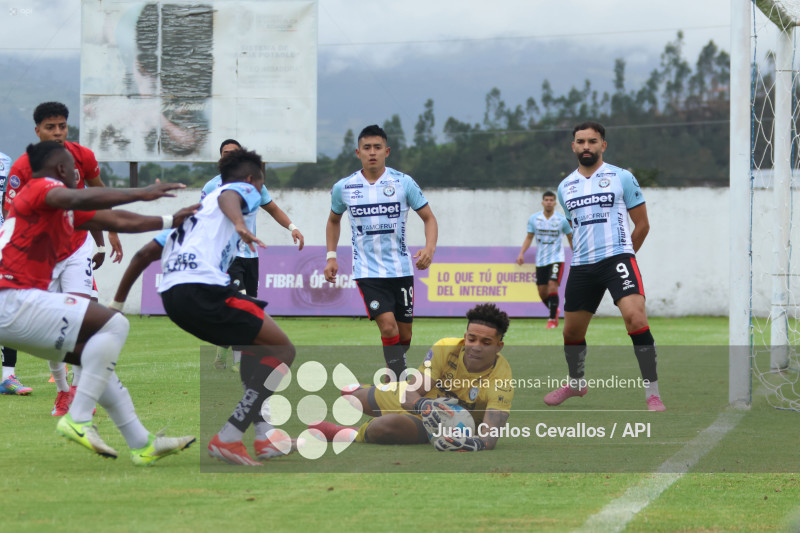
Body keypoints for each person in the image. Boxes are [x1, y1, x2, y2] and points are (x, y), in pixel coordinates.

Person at [0, 141, 197, 464]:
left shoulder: (59, 209)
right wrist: (142, 191)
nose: (79, 175)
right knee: (115, 323)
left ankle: (142, 442)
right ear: (62, 170)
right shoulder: (42, 189)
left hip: (13, 307)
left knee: (92, 357)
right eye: (73, 169)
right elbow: (79, 196)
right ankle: (78, 418)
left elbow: (117, 220)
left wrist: (169, 220)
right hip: (11, 299)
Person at [157, 148, 297, 466]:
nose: (260, 192)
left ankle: (264, 437)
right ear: (252, 179)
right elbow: (231, 197)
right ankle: (231, 436)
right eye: (260, 184)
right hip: (207, 286)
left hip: (180, 289)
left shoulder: (202, 202)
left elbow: (148, 252)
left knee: (255, 346)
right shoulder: (242, 188)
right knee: (283, 350)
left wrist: (118, 301)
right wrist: (238, 223)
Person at [3, 102, 124, 415]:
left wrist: (109, 233)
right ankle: (62, 390)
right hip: (42, 255)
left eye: (62, 126)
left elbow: (97, 195)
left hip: (76, 246)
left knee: (81, 317)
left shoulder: (81, 156)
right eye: (50, 127)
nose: (57, 133)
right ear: (37, 131)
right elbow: (11, 215)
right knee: (54, 325)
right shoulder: (23, 167)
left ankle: (83, 395)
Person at [545, 121, 665, 411]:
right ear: (573, 146)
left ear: (603, 145)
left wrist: (624, 255)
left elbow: (643, 224)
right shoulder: (565, 187)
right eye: (581, 141)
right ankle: (576, 384)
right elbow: (576, 230)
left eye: (593, 141)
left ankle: (652, 392)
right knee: (571, 333)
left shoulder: (621, 177)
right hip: (583, 266)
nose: (587, 146)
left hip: (618, 260)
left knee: (635, 318)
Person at [309, 303, 513, 451]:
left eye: (486, 342)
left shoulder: (502, 379)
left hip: (437, 426)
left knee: (385, 427)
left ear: (498, 346)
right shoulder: (447, 348)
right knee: (351, 395)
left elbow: (490, 436)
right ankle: (372, 389)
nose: (476, 346)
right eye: (471, 338)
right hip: (418, 398)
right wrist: (426, 406)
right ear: (465, 336)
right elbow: (410, 396)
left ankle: (350, 433)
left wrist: (475, 443)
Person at [324, 125, 438, 382]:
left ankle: (392, 369)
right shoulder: (345, 187)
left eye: (377, 148)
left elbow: (429, 218)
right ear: (358, 152)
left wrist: (429, 248)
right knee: (388, 327)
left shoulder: (403, 182)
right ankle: (398, 385)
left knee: (404, 335)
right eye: (367, 148)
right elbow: (333, 221)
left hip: (401, 269)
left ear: (386, 151)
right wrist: (331, 256)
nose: (372, 153)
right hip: (367, 271)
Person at [201, 139, 304, 371]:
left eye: (234, 154)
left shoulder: (255, 185)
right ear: (220, 159)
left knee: (248, 309)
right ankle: (240, 363)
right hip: (227, 257)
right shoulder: (211, 187)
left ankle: (222, 346)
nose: (229, 157)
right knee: (242, 304)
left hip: (251, 256)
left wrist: (292, 227)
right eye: (225, 153)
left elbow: (273, 209)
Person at [0, 150, 32, 395]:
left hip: (4, 242)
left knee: (7, 307)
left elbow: (9, 203)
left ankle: (8, 376)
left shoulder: (6, 160)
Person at [516, 191, 573, 329]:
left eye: (551, 200)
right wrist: (522, 253)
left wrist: (577, 253)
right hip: (541, 260)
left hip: (556, 259)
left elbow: (570, 237)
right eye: (546, 200)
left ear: (554, 203)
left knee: (552, 285)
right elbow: (529, 237)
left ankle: (552, 319)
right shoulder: (534, 219)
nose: (548, 202)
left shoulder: (562, 220)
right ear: (542, 202)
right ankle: (554, 309)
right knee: (542, 292)